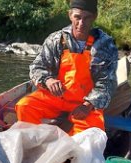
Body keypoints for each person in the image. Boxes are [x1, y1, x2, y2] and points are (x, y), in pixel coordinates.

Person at [15, 0, 118, 136]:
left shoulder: (105, 45)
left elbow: (107, 83)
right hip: (56, 98)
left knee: (90, 135)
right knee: (24, 106)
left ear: (95, 17)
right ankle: (35, 142)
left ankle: (71, 151)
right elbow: (36, 67)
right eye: (77, 17)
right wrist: (48, 80)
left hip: (85, 102)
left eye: (87, 18)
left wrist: (88, 105)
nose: (81, 23)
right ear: (70, 15)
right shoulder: (55, 40)